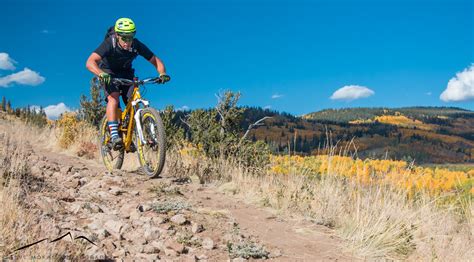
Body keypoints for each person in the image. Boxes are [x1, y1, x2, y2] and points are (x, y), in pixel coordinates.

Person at [86, 17, 170, 150]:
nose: (128, 41)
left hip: (126, 74)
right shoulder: (110, 43)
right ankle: (114, 135)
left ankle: (132, 133)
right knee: (113, 98)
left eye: (130, 37)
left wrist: (162, 73)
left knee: (134, 100)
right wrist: (101, 74)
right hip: (108, 73)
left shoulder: (136, 45)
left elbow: (156, 60)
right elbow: (90, 62)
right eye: (124, 38)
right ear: (117, 35)